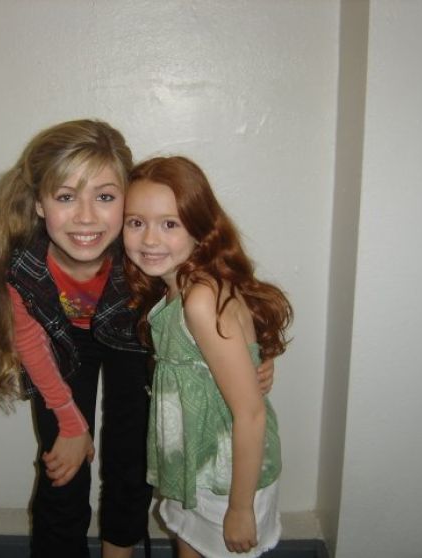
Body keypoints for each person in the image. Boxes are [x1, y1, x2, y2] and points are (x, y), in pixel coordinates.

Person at [0, 120, 275, 558]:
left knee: (132, 456)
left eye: (105, 197)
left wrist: (256, 353)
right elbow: (30, 342)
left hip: (132, 338)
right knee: (62, 464)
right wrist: (70, 423)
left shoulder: (145, 248)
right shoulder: (21, 263)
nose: (87, 217)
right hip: (60, 345)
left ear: (126, 198)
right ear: (37, 204)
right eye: (66, 197)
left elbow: (223, 282)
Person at [123, 156, 292, 558]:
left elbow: (250, 414)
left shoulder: (200, 299)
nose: (149, 239)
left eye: (170, 224)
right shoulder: (174, 287)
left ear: (200, 228)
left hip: (227, 479)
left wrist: (240, 508)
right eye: (136, 222)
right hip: (193, 467)